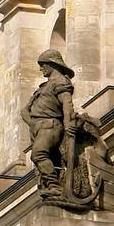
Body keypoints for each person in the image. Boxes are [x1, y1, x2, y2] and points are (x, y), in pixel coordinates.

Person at [27, 50, 77, 197]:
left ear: (52, 64)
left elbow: (67, 104)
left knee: (38, 153)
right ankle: (51, 184)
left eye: (43, 65)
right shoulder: (43, 87)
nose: (40, 69)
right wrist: (33, 123)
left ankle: (54, 186)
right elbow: (25, 110)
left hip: (51, 126)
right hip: (39, 128)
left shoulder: (61, 81)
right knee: (43, 156)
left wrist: (69, 125)